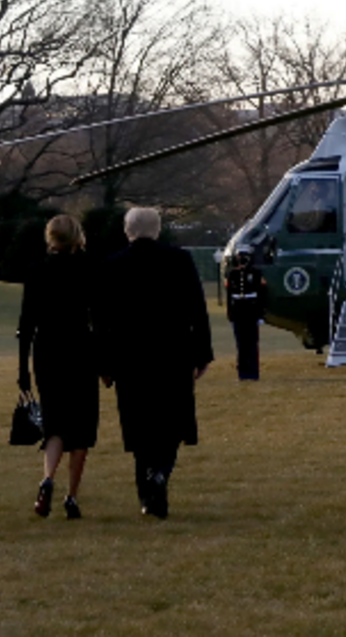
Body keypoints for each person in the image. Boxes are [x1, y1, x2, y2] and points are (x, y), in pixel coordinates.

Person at [94, 207, 212, 520]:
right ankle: (160, 475)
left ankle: (148, 495)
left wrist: (103, 364)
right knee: (172, 423)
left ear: (127, 230)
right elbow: (197, 311)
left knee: (140, 427)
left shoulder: (111, 266)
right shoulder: (180, 260)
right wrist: (202, 354)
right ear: (158, 229)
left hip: (130, 358)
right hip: (173, 355)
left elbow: (101, 321)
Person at [16, 214, 99, 519]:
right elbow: (98, 318)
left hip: (47, 350)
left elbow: (26, 324)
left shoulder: (37, 270)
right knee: (82, 426)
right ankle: (72, 496)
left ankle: (48, 477)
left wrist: (23, 370)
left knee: (55, 422)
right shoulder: (87, 268)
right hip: (80, 348)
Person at [224, 248, 267, 381]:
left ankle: (253, 372)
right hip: (238, 310)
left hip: (251, 309)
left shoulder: (256, 273)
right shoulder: (232, 274)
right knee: (241, 343)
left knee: (252, 343)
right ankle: (243, 372)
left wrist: (260, 315)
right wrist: (230, 314)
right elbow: (229, 295)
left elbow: (262, 295)